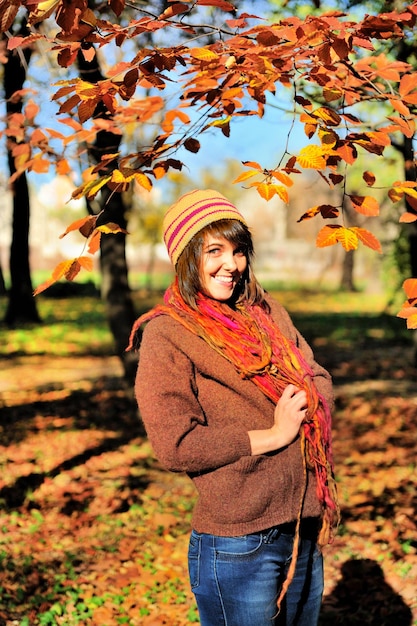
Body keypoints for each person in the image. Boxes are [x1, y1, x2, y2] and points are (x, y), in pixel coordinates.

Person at [128, 189, 340, 626]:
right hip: (238, 545)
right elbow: (176, 444)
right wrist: (273, 435)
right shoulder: (166, 334)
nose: (232, 264)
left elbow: (317, 376)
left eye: (239, 251)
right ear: (186, 257)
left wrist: (305, 397)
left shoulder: (265, 313)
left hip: (301, 526)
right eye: (215, 251)